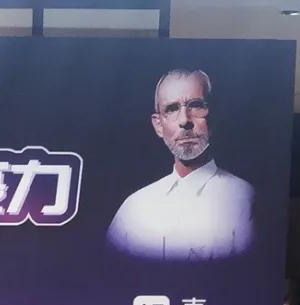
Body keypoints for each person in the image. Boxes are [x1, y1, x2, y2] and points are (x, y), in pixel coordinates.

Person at [107, 68, 254, 260]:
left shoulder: (246, 200)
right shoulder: (133, 208)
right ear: (158, 125)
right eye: (172, 109)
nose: (184, 120)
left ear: (214, 116)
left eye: (196, 105)